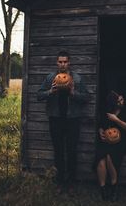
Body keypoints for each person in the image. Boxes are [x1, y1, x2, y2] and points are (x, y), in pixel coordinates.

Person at [37, 50, 89, 194]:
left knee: (72, 151)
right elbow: (38, 95)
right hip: (56, 120)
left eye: (65, 61)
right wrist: (50, 92)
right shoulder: (50, 78)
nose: (63, 64)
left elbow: (86, 97)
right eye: (60, 61)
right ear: (57, 63)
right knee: (58, 151)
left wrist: (74, 93)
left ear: (69, 63)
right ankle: (59, 182)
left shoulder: (77, 79)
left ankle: (71, 183)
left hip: (73, 120)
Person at [94, 90, 126, 201]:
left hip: (121, 141)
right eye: (119, 100)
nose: (122, 101)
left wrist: (116, 120)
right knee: (101, 159)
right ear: (113, 103)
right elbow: (101, 125)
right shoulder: (107, 112)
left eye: (122, 99)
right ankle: (103, 189)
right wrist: (101, 131)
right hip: (107, 140)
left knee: (110, 156)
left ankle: (113, 187)